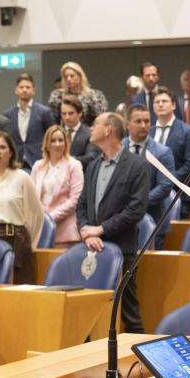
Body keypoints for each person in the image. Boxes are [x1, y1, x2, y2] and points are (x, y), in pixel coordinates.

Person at [77, 112, 151, 330]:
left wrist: (99, 229)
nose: (91, 128)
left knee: (128, 310)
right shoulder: (92, 165)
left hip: (122, 247)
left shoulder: (136, 165)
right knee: (90, 312)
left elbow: (136, 209)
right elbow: (81, 204)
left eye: (95, 124)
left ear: (108, 130)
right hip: (92, 247)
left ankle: (143, 360)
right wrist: (84, 231)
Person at [0, 131, 45, 283]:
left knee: (21, 287)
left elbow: (36, 213)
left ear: (11, 152)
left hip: (17, 237)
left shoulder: (22, 177)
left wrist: (29, 244)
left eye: (2, 147)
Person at [125, 104, 176, 249]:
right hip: (120, 224)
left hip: (153, 220)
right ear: (127, 123)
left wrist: (136, 204)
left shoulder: (162, 152)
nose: (143, 125)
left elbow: (165, 186)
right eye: (138, 121)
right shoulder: (120, 148)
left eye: (147, 121)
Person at [32, 125, 84, 246]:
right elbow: (32, 198)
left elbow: (75, 200)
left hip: (65, 232)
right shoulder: (37, 166)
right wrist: (41, 218)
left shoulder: (74, 165)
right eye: (53, 140)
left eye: (61, 140)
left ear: (66, 143)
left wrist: (49, 217)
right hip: (41, 230)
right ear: (46, 144)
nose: (57, 144)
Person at [5, 73, 55, 167]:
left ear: (33, 91)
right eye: (21, 87)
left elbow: (51, 136)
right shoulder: (8, 115)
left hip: (39, 160)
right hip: (16, 161)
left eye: (28, 87)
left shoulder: (44, 112)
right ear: (16, 90)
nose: (24, 90)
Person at [150, 88, 190, 182]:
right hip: (151, 189)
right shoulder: (148, 132)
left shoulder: (188, 131)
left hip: (178, 189)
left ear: (173, 105)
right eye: (157, 102)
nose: (160, 104)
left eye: (164, 101)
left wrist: (167, 182)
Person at [58, 95, 95, 161]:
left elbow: (91, 157)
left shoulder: (89, 133)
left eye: (71, 113)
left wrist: (66, 162)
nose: (67, 117)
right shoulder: (56, 133)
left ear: (80, 113)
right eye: (64, 113)